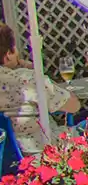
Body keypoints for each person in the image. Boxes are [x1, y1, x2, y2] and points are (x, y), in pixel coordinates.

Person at [0, 25, 77, 154]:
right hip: (40, 152)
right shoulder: (27, 79)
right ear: (8, 54)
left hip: (6, 158)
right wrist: (37, 73)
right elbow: (73, 106)